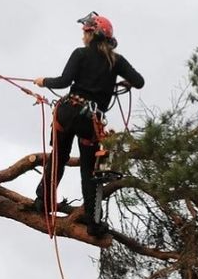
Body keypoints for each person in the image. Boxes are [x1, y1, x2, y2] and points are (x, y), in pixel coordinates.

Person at [33, 12, 145, 236]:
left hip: (67, 113)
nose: (83, 35)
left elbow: (64, 82)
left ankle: (43, 200)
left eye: (85, 31)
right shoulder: (116, 61)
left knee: (59, 158)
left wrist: (43, 81)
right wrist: (124, 82)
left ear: (92, 33)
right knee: (90, 172)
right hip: (90, 122)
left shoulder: (80, 54)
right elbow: (139, 82)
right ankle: (94, 223)